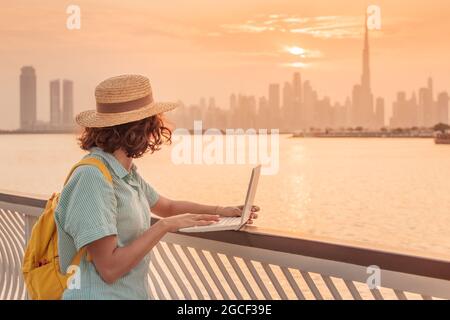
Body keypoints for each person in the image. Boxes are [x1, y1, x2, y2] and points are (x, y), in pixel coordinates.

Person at [54, 74, 259, 299]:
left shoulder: (124, 174)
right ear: (138, 129)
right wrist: (162, 227)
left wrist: (221, 211)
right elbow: (109, 268)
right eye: (153, 123)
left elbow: (168, 206)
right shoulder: (92, 178)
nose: (156, 132)